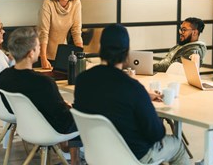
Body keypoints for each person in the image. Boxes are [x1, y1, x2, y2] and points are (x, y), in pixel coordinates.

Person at [74, 24, 189, 165]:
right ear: (127, 53)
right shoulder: (132, 88)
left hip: (98, 154)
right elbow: (156, 133)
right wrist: (144, 100)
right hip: (133, 156)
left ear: (100, 48)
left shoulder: (82, 80)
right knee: (177, 146)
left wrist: (143, 98)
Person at [0, 27, 81, 165]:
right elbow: (64, 120)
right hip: (50, 130)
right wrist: (72, 108)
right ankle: (76, 159)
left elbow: (12, 109)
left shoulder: (4, 77)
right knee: (87, 117)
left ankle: (72, 155)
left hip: (27, 129)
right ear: (31, 53)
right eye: (38, 46)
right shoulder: (43, 82)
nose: (41, 49)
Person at [38, 0, 83, 69]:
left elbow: (76, 31)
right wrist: (43, 58)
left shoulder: (76, 2)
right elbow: (43, 33)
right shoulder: (48, 3)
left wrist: (81, 55)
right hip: (43, 53)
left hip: (61, 54)